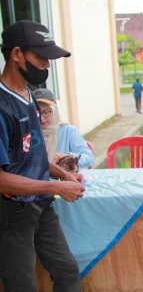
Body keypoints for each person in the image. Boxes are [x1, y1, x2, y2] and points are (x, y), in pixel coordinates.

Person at [0, 20, 85, 291]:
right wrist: (57, 186)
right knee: (22, 284)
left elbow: (32, 153)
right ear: (16, 55)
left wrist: (63, 173)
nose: (47, 65)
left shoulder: (28, 96)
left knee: (67, 271)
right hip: (12, 213)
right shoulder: (2, 107)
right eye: (42, 57)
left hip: (41, 205)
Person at [34, 88, 95, 168]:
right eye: (37, 113)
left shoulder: (68, 131)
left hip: (65, 179)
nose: (41, 118)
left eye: (46, 112)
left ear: (55, 110)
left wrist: (68, 158)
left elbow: (89, 158)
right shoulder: (29, 133)